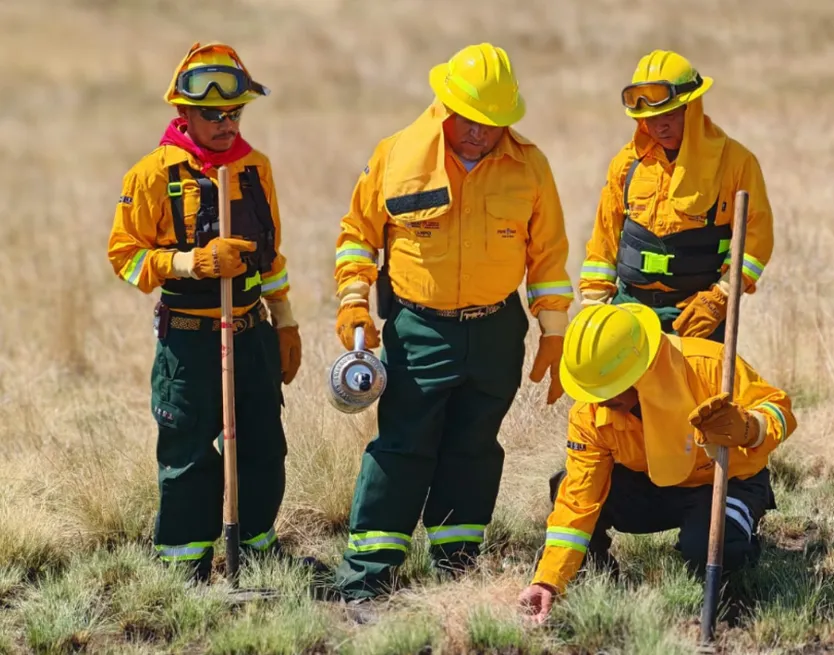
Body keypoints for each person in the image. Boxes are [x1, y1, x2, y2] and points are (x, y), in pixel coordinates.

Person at [324, 42, 574, 601]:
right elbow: (358, 236)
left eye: (494, 122)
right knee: (404, 444)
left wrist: (553, 331)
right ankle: (368, 576)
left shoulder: (529, 165)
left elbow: (549, 257)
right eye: (472, 120)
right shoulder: (396, 155)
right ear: (445, 104)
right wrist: (352, 300)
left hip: (496, 331)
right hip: (419, 330)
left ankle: (457, 565)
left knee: (475, 445)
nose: (482, 133)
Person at [106, 42, 301, 581]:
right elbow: (124, 257)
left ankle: (259, 549)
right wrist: (191, 262)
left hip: (251, 332)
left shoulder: (255, 169)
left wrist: (285, 322)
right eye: (212, 114)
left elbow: (272, 257)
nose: (225, 123)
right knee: (190, 455)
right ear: (183, 113)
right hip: (190, 339)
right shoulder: (151, 175)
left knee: (264, 446)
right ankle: (182, 566)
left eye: (234, 112)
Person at [517, 302, 796, 623]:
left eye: (608, 393)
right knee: (565, 483)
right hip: (653, 484)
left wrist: (749, 427)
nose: (600, 403)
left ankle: (738, 554)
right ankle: (597, 574)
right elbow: (579, 499)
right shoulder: (591, 412)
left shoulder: (708, 364)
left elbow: (780, 409)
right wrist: (548, 579)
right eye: (593, 394)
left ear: (640, 372)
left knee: (711, 548)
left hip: (723, 481)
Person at [577, 49, 774, 344]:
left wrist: (719, 298)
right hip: (629, 308)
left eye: (669, 114)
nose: (660, 126)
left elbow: (755, 241)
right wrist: (594, 302)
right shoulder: (626, 164)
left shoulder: (736, 163)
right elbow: (604, 240)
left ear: (691, 109)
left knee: (694, 390)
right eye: (651, 118)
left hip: (694, 312)